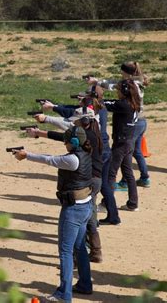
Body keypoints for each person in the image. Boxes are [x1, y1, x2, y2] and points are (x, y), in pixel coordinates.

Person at [13, 126, 93, 302]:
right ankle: (85, 284)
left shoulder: (72, 160)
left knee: (65, 251)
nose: (64, 143)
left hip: (73, 211)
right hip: (86, 206)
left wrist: (27, 155)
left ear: (72, 142)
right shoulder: (86, 153)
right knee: (79, 247)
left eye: (66, 140)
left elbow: (49, 160)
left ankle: (65, 295)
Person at [26, 110, 103, 263]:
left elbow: (62, 139)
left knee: (78, 222)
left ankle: (78, 257)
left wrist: (38, 134)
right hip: (94, 180)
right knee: (90, 218)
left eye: (76, 121)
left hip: (86, 181)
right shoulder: (92, 133)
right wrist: (40, 131)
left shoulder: (86, 137)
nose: (73, 123)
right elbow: (66, 136)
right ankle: (96, 251)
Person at [87, 62, 150, 189]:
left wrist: (97, 83)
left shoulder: (132, 84)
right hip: (140, 121)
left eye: (122, 73)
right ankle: (143, 178)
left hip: (134, 123)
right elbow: (116, 84)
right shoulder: (137, 81)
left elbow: (114, 86)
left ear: (126, 73)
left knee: (123, 154)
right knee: (135, 151)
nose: (121, 75)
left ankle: (125, 182)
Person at [102, 79, 141, 215]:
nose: (117, 92)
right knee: (128, 173)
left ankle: (106, 203)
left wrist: (95, 96)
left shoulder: (123, 105)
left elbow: (103, 104)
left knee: (110, 174)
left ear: (124, 92)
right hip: (129, 142)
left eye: (119, 90)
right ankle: (133, 203)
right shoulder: (134, 103)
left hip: (121, 144)